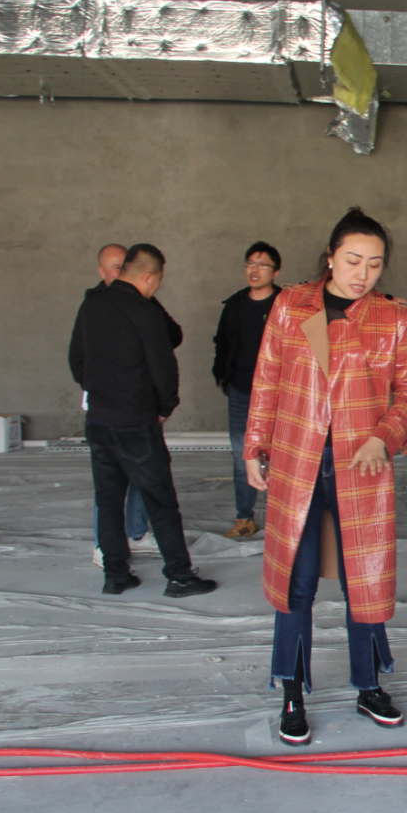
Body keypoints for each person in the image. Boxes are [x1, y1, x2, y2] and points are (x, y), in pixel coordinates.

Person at [244, 209, 407, 747]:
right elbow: (267, 379)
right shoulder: (291, 305)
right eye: (352, 260)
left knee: (362, 579)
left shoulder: (392, 317)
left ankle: (369, 686)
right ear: (330, 257)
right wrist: (254, 446)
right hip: (297, 459)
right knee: (295, 583)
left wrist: (384, 436)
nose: (362, 274)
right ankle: (291, 692)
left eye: (374, 263)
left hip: (360, 465)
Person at [69, 244, 217, 599]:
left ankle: (116, 575)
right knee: (160, 501)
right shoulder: (144, 312)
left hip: (99, 420)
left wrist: (98, 391)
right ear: (149, 276)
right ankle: (180, 577)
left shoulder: (91, 304)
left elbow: (76, 359)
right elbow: (164, 368)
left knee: (109, 501)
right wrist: (165, 406)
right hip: (136, 422)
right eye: (158, 282)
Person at [86, 243, 154, 567]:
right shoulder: (95, 305)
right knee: (109, 483)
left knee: (143, 473)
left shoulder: (144, 302)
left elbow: (169, 337)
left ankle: (137, 532)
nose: (122, 271)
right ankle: (105, 544)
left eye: (125, 265)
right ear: (102, 272)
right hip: (107, 410)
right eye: (115, 267)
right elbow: (78, 359)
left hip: (139, 409)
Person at [213, 241, 284, 539]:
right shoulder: (235, 305)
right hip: (242, 392)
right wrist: (222, 375)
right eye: (250, 263)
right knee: (243, 456)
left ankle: (284, 520)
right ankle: (245, 518)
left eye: (263, 264)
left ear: (275, 272)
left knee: (283, 455)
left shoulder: (285, 304)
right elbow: (222, 342)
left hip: (280, 393)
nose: (255, 270)